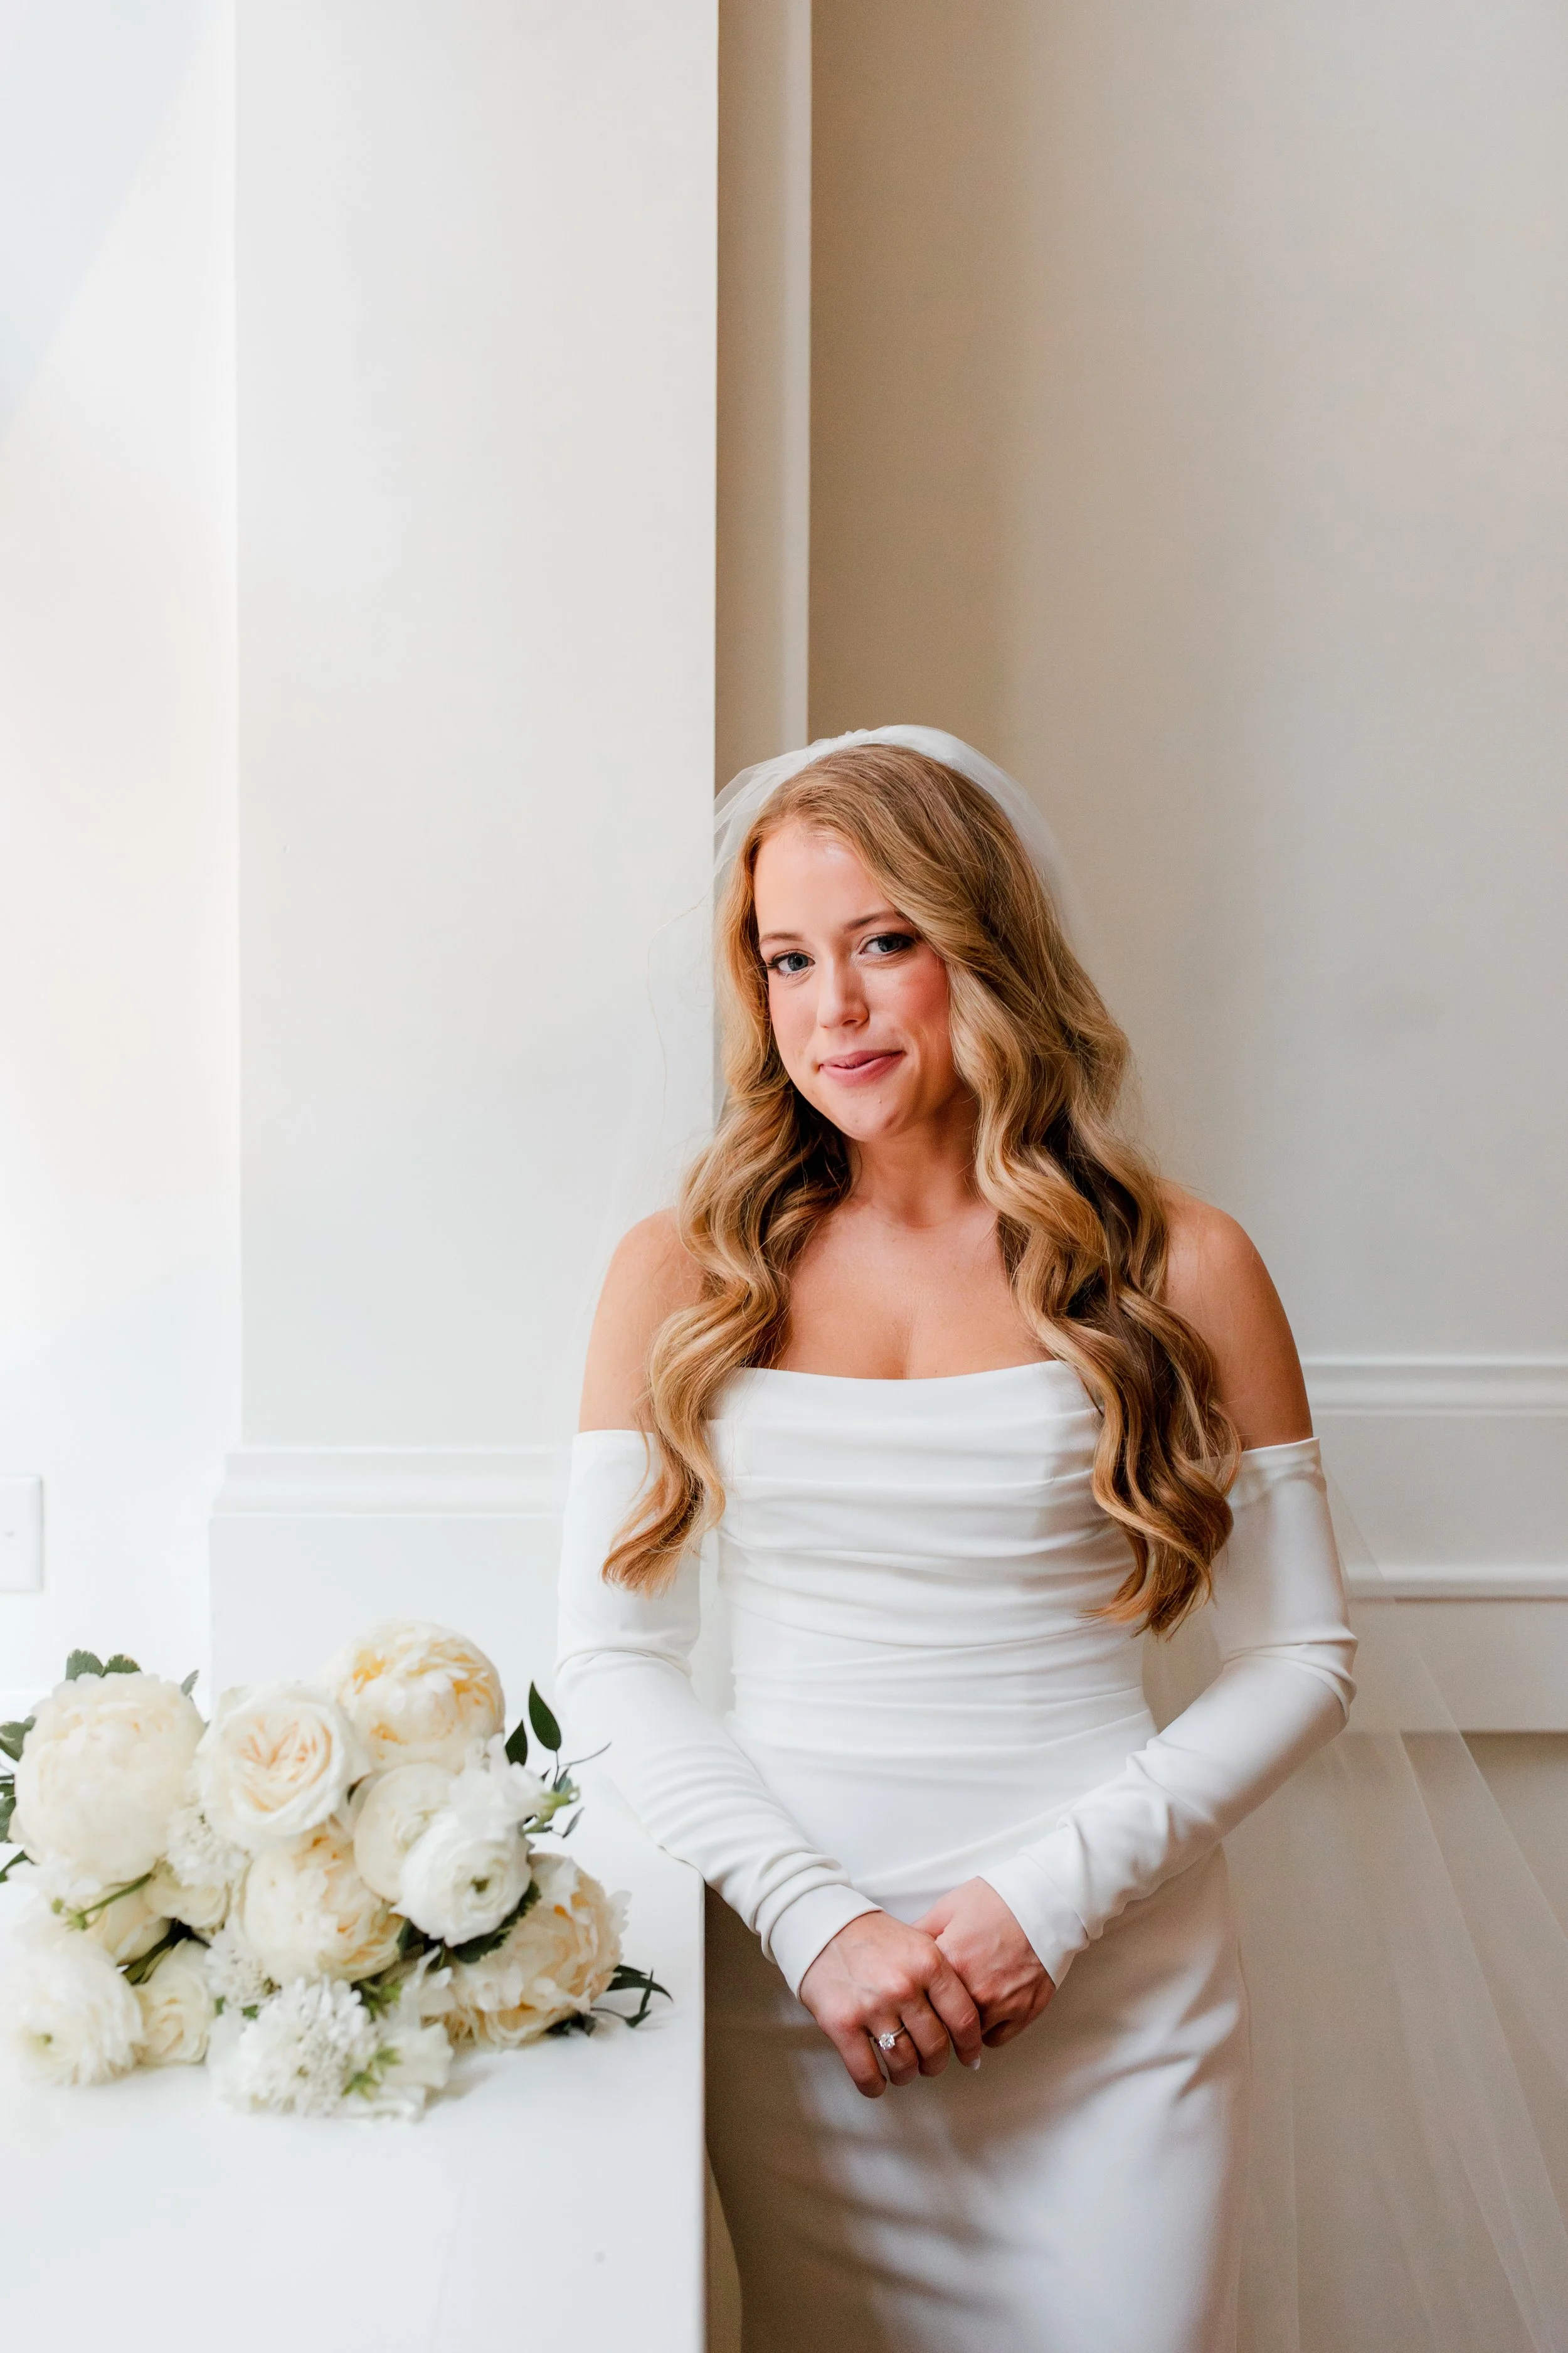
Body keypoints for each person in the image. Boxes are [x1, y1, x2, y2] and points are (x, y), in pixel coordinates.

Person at [554, 730, 1355, 2352]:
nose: (829, 1008)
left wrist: (1047, 1899)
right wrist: (818, 1921)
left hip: (1113, 1997)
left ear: (980, 948)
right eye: (787, 958)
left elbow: (1304, 1655)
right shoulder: (680, 1269)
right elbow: (606, 1657)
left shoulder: (1181, 1262)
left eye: (882, 944)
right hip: (802, 2000)